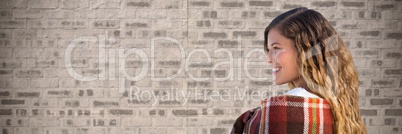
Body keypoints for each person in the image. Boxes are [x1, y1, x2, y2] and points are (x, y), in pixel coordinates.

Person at [231, 7, 367, 134]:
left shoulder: (279, 111)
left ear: (305, 50)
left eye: (276, 48)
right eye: (269, 50)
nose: (269, 59)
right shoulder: (341, 111)